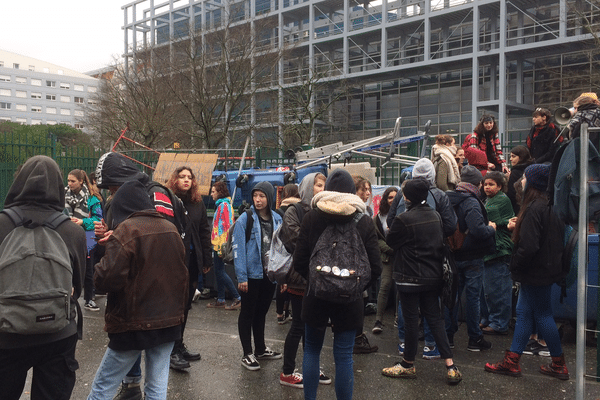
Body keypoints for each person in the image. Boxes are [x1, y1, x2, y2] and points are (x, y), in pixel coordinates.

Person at [93, 152, 191, 398]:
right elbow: (182, 273)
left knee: (102, 387)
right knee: (157, 386)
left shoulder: (126, 230)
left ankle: (130, 383)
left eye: (114, 192)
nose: (111, 196)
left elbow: (107, 279)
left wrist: (105, 251)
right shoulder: (170, 228)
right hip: (169, 321)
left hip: (133, 322)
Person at [0, 156, 87, 400]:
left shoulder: (2, 224)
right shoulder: (72, 231)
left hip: (5, 334)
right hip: (57, 333)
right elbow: (77, 286)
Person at [293, 169, 382, 400]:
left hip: (316, 296)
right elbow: (375, 266)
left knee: (312, 350)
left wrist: (316, 280)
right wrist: (353, 286)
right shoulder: (363, 220)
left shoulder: (312, 217)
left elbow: (300, 260)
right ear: (352, 192)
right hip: (350, 299)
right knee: (343, 356)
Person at [485, 164, 569, 380]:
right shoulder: (551, 206)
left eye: (524, 177)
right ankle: (513, 361)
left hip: (534, 272)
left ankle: (556, 363)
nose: (521, 180)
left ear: (533, 183)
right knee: (526, 313)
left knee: (541, 315)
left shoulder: (533, 209)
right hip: (546, 270)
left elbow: (528, 246)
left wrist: (516, 265)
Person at [382, 179, 462, 385]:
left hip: (409, 277)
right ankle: (451, 366)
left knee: (410, 322)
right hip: (433, 276)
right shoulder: (435, 216)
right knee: (435, 320)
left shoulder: (403, 219)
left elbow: (391, 243)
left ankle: (408, 363)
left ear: (408, 197)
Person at [278, 173, 331, 388]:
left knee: (315, 326)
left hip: (321, 277)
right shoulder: (294, 210)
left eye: (324, 185)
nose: (322, 189)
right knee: (299, 325)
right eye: (318, 185)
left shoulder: (326, 211)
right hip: (300, 277)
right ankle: (287, 372)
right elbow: (295, 241)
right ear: (309, 186)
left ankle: (311, 366)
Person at [445, 165, 496, 351]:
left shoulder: (447, 198)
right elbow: (478, 230)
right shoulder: (471, 201)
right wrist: (491, 228)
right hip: (472, 257)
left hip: (452, 254)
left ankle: (448, 336)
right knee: (473, 298)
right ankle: (474, 338)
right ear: (479, 184)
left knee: (452, 298)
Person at [234, 181, 283, 371]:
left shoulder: (277, 218)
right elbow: (238, 249)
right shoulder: (245, 219)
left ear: (269, 198)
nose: (258, 200)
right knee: (247, 313)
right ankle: (247, 353)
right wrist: (242, 277)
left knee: (261, 312)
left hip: (269, 274)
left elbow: (281, 247)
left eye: (262, 196)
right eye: (255, 196)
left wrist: (281, 276)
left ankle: (260, 349)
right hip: (251, 274)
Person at [166, 166, 213, 365]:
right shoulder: (168, 201)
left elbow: (204, 231)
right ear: (174, 179)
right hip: (174, 262)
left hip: (193, 260)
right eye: (182, 176)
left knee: (185, 305)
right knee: (175, 306)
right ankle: (170, 349)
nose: (186, 180)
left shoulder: (197, 203)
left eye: (190, 177)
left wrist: (207, 259)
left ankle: (179, 344)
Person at [480, 171, 514, 336]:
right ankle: (489, 319)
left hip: (499, 249)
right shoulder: (489, 200)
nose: (487, 187)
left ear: (500, 186)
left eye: (491, 184)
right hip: (491, 249)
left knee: (498, 289)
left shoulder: (499, 201)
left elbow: (492, 220)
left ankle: (499, 323)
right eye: (485, 184)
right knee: (489, 289)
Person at [65, 169, 104, 311]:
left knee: (87, 269)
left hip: (87, 238)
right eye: (68, 180)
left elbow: (98, 219)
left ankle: (89, 298)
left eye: (73, 181)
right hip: (67, 236)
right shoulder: (63, 195)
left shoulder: (92, 198)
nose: (69, 184)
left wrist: (82, 222)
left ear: (81, 181)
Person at [352, 174, 379, 353]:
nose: (367, 193)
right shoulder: (360, 215)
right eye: (363, 189)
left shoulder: (367, 211)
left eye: (369, 189)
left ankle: (356, 337)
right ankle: (357, 339)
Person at [207, 181, 241, 309]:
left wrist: (222, 246)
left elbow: (226, 227)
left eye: (213, 191)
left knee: (220, 272)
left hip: (220, 244)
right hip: (218, 244)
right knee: (218, 270)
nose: (211, 194)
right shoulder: (223, 205)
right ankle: (221, 299)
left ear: (219, 192)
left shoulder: (224, 206)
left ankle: (237, 297)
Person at [372, 186, 399, 335]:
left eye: (395, 197)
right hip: (387, 256)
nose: (392, 200)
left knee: (400, 288)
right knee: (385, 284)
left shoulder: (402, 213)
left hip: (401, 256)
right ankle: (378, 320)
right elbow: (376, 238)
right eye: (390, 197)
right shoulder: (378, 217)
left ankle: (398, 317)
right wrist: (389, 248)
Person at [275, 184, 300, 324]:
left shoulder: (278, 211)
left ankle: (280, 313)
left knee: (281, 282)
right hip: (293, 250)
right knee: (291, 283)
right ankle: (286, 310)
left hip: (281, 250)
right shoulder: (297, 210)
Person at [506, 145, 533, 215]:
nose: (511, 159)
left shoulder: (516, 172)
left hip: (518, 207)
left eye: (513, 156)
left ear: (521, 157)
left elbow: (511, 193)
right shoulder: (532, 169)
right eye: (510, 156)